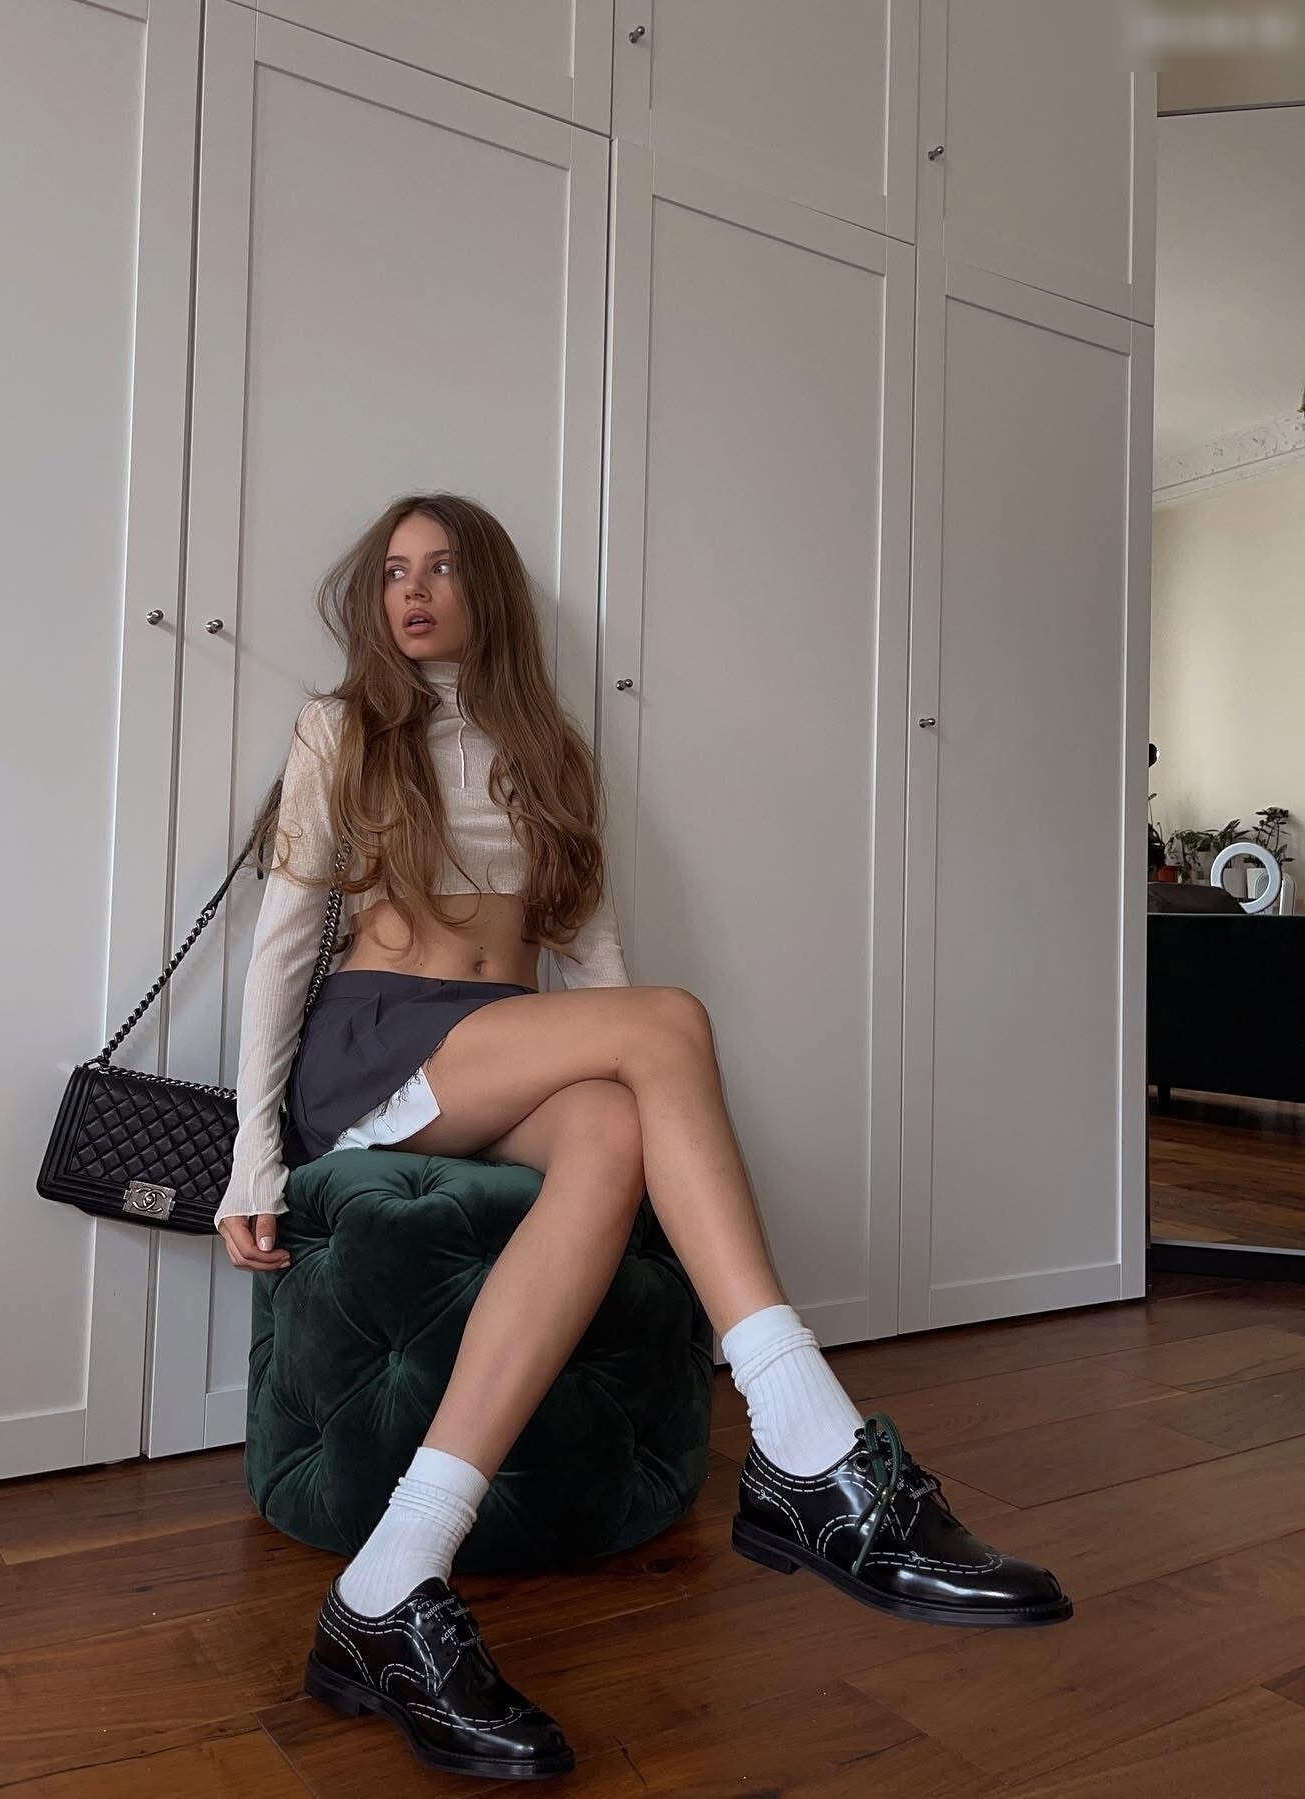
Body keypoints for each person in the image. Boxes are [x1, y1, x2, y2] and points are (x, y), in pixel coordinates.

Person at [215, 492, 1071, 1782]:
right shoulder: (341, 728)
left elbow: (593, 951)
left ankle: (390, 1581)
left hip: (501, 1045)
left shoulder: (547, 747)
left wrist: (652, 1087)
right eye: (393, 571)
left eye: (441, 567)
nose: (414, 591)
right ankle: (808, 1445)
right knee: (666, 1021)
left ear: (487, 591)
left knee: (620, 1115)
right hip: (380, 1045)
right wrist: (254, 1155)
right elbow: (285, 944)